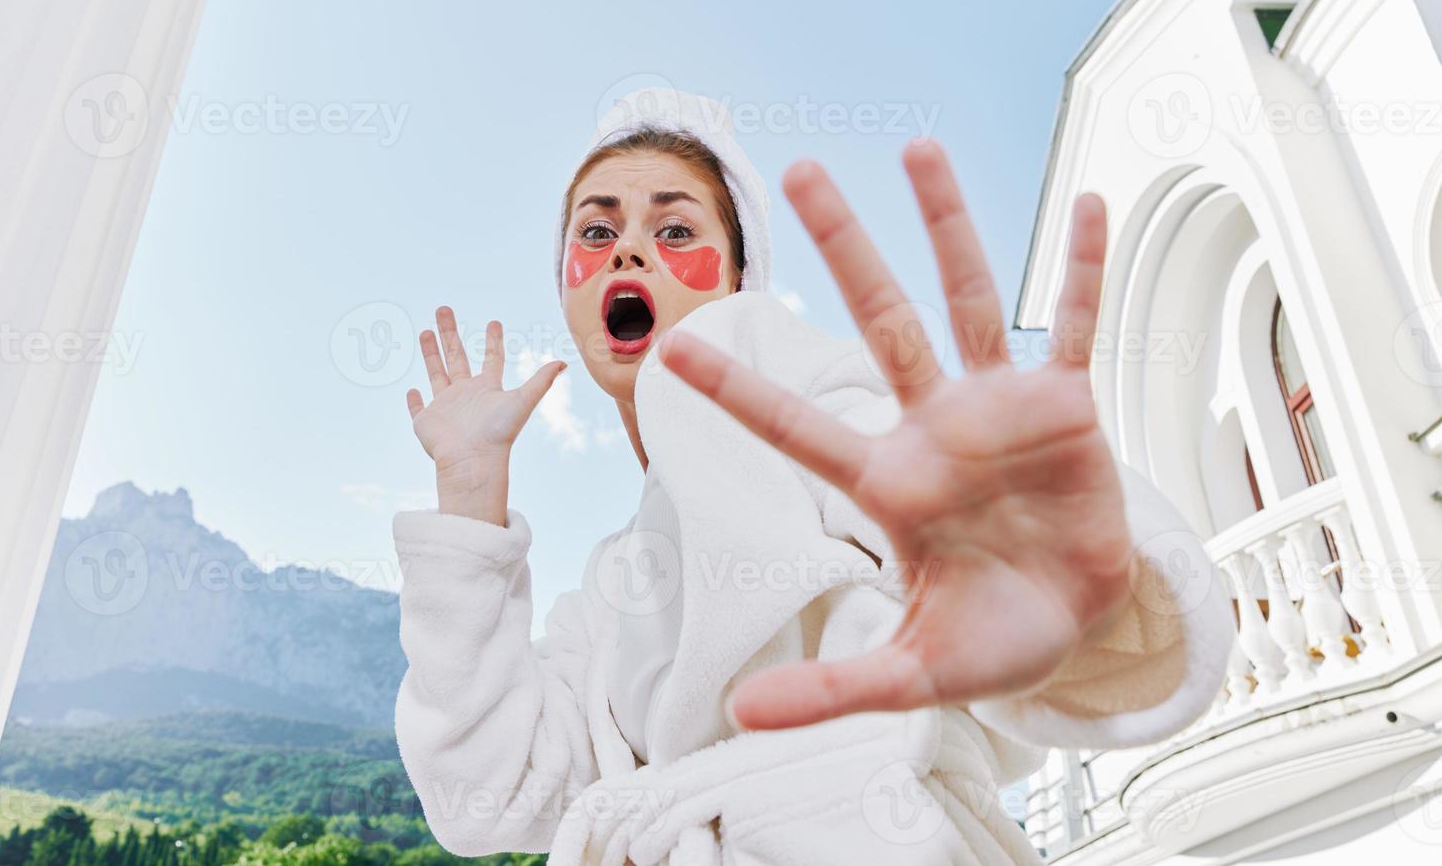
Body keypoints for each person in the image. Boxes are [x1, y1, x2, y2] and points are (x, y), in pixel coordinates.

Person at [392, 88, 1234, 865]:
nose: (631, 252)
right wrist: (470, 495)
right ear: (570, 288)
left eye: (677, 230)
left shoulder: (800, 394)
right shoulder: (609, 594)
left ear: (736, 278)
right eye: (597, 231)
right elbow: (487, 795)